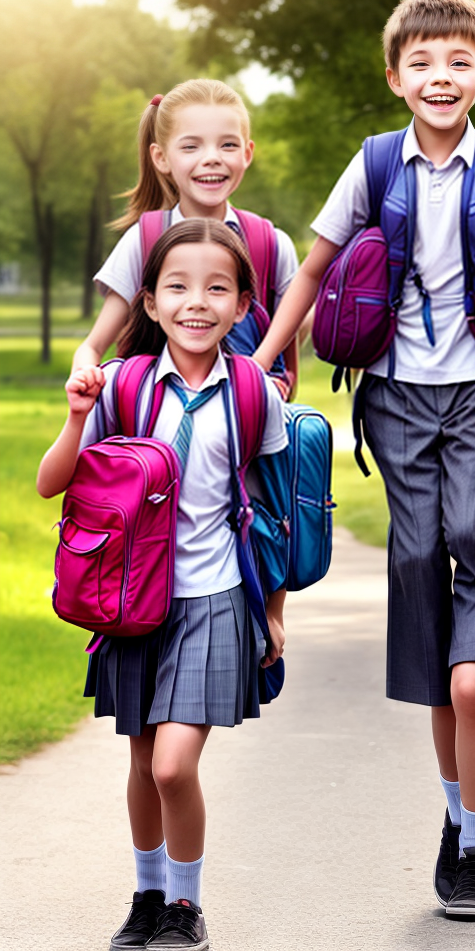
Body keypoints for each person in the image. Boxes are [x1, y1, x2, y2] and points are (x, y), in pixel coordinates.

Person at [252, 0, 475, 918]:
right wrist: (264, 367)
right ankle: (459, 824)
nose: (442, 77)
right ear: (395, 77)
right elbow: (313, 269)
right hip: (391, 395)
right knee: (418, 561)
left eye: (459, 62)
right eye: (423, 63)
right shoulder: (374, 163)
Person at [38, 219, 288, 951]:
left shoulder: (253, 393)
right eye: (177, 288)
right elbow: (54, 484)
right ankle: (147, 897)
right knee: (143, 760)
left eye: (217, 289)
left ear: (243, 305)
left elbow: (271, 514)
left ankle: (184, 907)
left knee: (175, 764)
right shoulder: (123, 385)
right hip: (131, 599)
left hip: (213, 599)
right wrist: (78, 416)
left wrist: (274, 613)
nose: (196, 303)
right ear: (149, 303)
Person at [71, 78, 301, 391]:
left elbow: (286, 367)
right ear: (161, 157)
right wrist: (87, 376)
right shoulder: (143, 241)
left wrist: (265, 386)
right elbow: (93, 347)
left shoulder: (271, 245)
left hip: (245, 431)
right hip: (154, 433)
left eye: (228, 145)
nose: (212, 158)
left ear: (247, 153)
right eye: (191, 146)